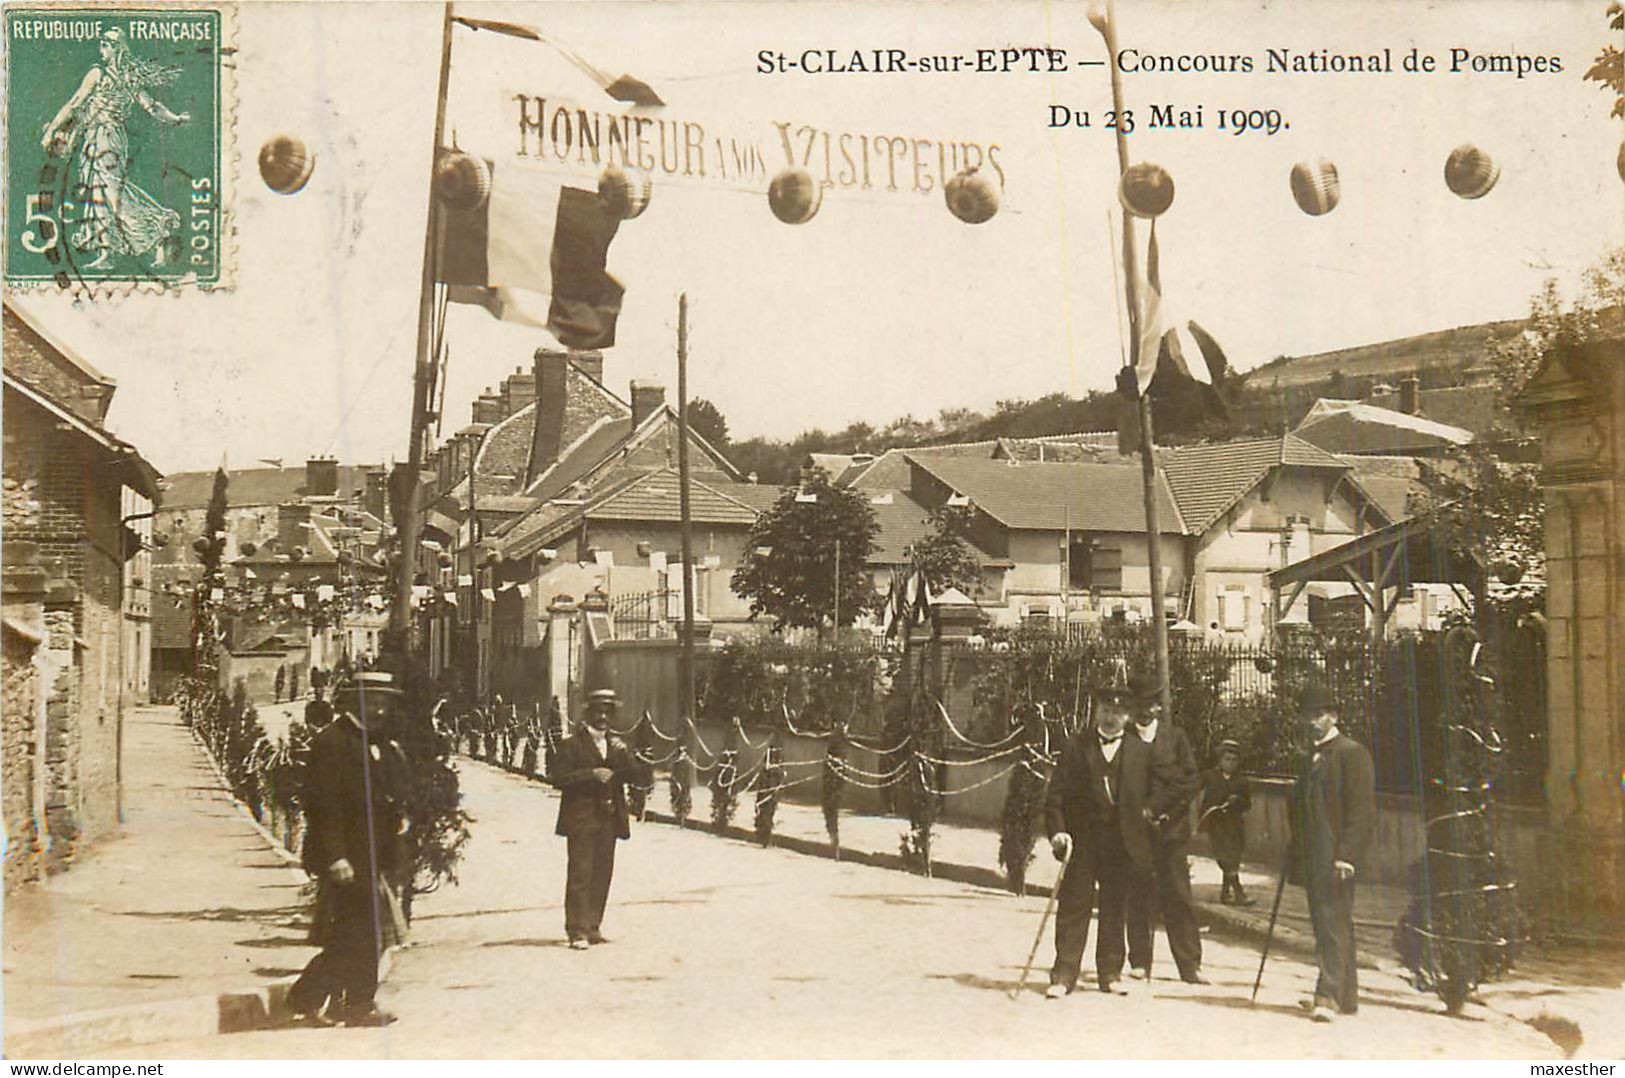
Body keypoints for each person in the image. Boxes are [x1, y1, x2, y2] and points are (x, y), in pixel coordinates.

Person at [288, 672, 411, 1027]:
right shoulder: (333, 742)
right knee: (356, 932)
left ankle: (346, 1002)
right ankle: (325, 999)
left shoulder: (379, 741)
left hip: (376, 853)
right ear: (356, 700)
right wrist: (336, 856)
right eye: (374, 699)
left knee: (363, 932)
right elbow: (324, 806)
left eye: (385, 700)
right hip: (347, 857)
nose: (381, 706)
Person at [39, 28, 188, 269]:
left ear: (117, 47)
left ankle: (160, 226)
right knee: (97, 191)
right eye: (102, 43)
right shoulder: (127, 78)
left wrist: (51, 130)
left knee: (112, 192)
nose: (102, 48)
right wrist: (175, 118)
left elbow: (76, 102)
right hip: (100, 136)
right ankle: (106, 252)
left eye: (106, 44)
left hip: (106, 138)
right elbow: (152, 107)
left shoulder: (100, 74)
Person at [1042, 682, 1155, 998]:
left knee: (1114, 906)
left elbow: (1160, 792)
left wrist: (1150, 817)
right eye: (1106, 711)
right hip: (1083, 840)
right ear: (1097, 711)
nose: (1110, 718)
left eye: (1118, 712)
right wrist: (1058, 831)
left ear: (1128, 716)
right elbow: (1056, 795)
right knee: (1074, 906)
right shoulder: (1076, 746)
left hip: (1121, 843)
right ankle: (1064, 974)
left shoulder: (1140, 751)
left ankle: (1110, 972)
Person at [1289, 680, 1376, 1023]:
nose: (1311, 721)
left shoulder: (1351, 753)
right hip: (1312, 854)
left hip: (1336, 857)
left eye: (1319, 714)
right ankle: (1346, 997)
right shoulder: (1310, 755)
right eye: (1307, 714)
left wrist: (1348, 855)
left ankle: (1326, 995)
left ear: (1333, 715)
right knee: (1331, 922)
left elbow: (1362, 811)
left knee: (1331, 922)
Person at [1126, 672, 1206, 985]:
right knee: (1139, 894)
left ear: (1159, 707)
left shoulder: (1176, 738)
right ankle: (1140, 961)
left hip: (1172, 830)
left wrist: (1159, 810)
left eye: (1150, 704)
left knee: (1178, 895)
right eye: (1139, 705)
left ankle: (1189, 965)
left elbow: (1189, 781)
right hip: (1137, 831)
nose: (1144, 711)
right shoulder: (1126, 737)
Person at [551, 688, 635, 949]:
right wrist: (591, 774)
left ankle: (593, 926)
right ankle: (576, 931)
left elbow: (635, 777)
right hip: (581, 818)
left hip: (609, 818)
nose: (603, 717)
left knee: (602, 873)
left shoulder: (617, 745)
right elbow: (558, 778)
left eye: (607, 712)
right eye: (598, 712)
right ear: (588, 715)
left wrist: (626, 755)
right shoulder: (571, 745)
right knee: (580, 873)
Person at [1199, 739, 1254, 906]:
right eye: (1227, 759)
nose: (1230, 763)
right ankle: (1239, 892)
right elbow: (1193, 790)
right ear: (1220, 760)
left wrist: (1237, 801)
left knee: (1233, 858)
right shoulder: (1209, 776)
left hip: (1234, 824)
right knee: (1225, 857)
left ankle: (1225, 893)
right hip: (1216, 824)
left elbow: (1247, 804)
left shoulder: (1242, 781)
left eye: (1234, 760)